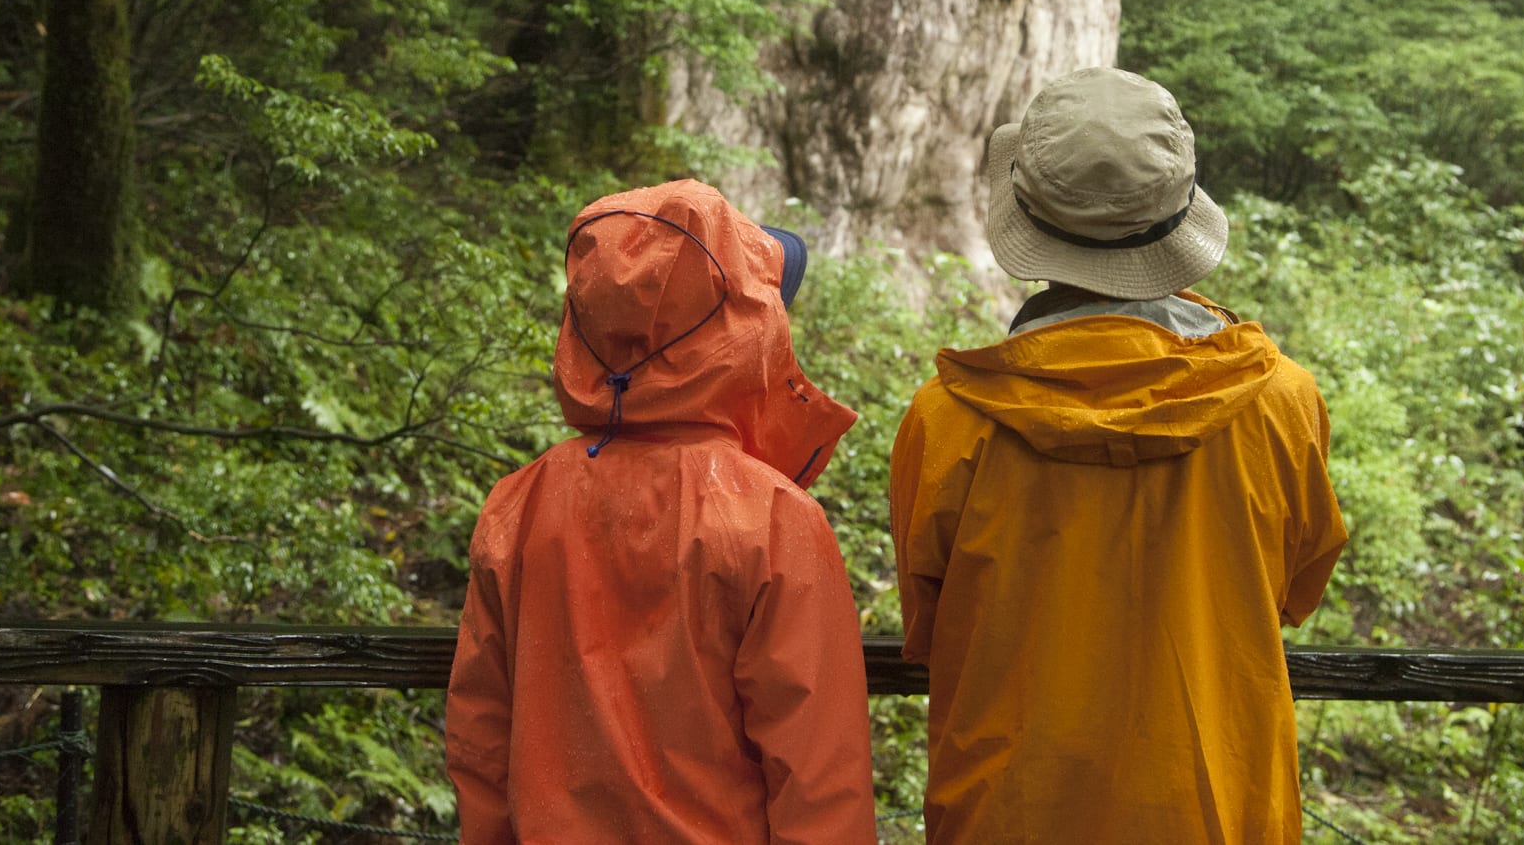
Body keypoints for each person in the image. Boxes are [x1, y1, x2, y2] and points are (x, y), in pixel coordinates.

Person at [890, 67, 1347, 845]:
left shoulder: (948, 421)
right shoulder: (1280, 402)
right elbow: (1291, 588)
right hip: (1217, 807)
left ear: (1026, 217)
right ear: (1177, 218)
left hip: (1009, 815)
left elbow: (933, 620)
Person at [446, 178, 877, 844]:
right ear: (747, 330)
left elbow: (481, 745)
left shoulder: (518, 505)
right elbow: (819, 782)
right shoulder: (773, 522)